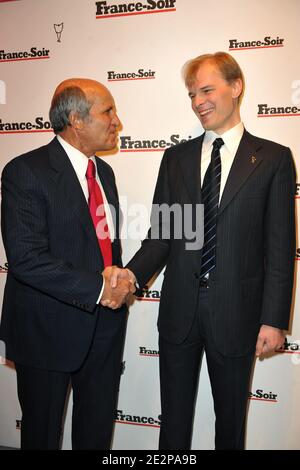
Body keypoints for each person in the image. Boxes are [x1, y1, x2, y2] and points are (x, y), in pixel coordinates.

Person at [106, 52, 296, 449]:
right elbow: (164, 236)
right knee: (172, 423)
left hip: (238, 314)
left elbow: (280, 249)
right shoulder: (176, 158)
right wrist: (128, 275)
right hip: (178, 312)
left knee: (230, 424)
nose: (197, 102)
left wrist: (274, 320)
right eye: (192, 94)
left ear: (236, 87)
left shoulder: (274, 158)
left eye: (206, 90)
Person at [0, 78, 134, 450]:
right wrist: (98, 288)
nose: (116, 121)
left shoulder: (103, 173)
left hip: (105, 327)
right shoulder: (25, 171)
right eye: (108, 111)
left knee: (95, 433)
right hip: (47, 328)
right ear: (76, 120)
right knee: (41, 436)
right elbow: (26, 259)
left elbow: (105, 247)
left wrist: (118, 281)